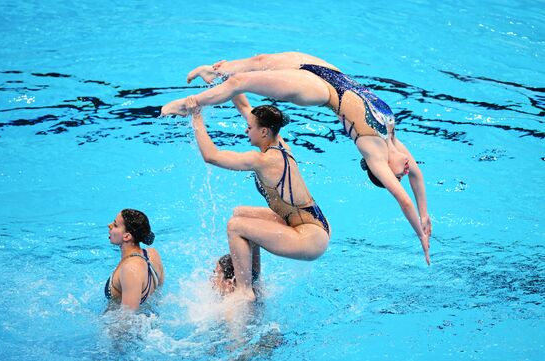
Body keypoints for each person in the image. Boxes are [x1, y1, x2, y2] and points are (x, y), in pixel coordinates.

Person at [161, 51, 431, 264]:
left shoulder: (374, 153)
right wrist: (426, 214)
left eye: (398, 176)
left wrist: (421, 235)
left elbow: (403, 198)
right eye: (402, 175)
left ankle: (189, 106)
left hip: (322, 91)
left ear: (383, 169)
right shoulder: (393, 140)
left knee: (241, 83)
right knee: (260, 62)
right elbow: (417, 178)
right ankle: (215, 72)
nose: (405, 171)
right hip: (333, 73)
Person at [187, 95, 330, 301]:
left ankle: (244, 292)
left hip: (310, 239)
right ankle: (254, 279)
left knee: (236, 226)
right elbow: (245, 106)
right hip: (313, 223)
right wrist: (230, 81)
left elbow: (212, 156)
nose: (246, 130)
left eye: (250, 127)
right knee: (241, 213)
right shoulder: (279, 144)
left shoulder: (262, 159)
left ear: (263, 131)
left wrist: (196, 115)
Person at [105, 209, 165, 310]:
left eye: (115, 225)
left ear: (127, 236)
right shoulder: (152, 254)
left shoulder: (130, 269)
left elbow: (128, 319)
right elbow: (157, 295)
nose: (109, 225)